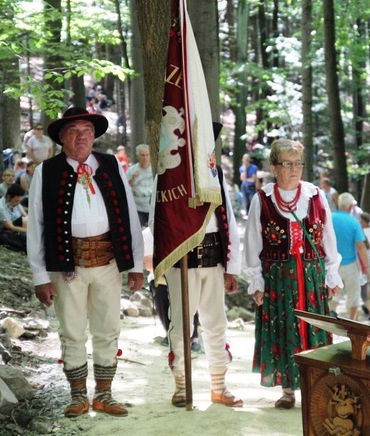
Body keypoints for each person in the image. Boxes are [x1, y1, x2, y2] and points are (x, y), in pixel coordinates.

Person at [27, 107, 144, 418]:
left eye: (87, 131)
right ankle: (77, 395)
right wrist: (39, 274)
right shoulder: (46, 171)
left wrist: (136, 264)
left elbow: (130, 215)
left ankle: (104, 394)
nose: (82, 136)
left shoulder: (110, 165)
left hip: (108, 261)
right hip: (67, 266)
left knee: (108, 328)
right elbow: (36, 225)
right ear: (63, 138)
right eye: (74, 131)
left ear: (94, 136)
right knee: (72, 330)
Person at [243, 138, 342, 409]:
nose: (294, 169)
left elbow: (328, 238)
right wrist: (257, 281)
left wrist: (331, 274)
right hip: (277, 278)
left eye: (298, 163)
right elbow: (253, 243)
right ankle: (288, 389)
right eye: (287, 163)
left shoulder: (316, 196)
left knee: (313, 329)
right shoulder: (262, 199)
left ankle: (316, 387)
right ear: (274, 167)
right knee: (283, 328)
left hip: (311, 276)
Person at [165, 122, 242, 409]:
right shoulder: (169, 177)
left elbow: (228, 220)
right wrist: (157, 263)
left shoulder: (215, 173)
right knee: (181, 326)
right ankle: (182, 386)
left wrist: (232, 266)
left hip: (214, 261)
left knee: (216, 323)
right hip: (181, 262)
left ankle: (219, 386)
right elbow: (158, 222)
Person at [330, 193, 370, 322]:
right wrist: (367, 267)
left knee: (334, 292)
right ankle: (352, 321)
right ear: (350, 207)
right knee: (353, 294)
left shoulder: (329, 218)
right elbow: (360, 246)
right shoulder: (354, 222)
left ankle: (332, 312)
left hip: (332, 264)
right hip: (350, 264)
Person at [0, 183, 28, 252]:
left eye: (19, 201)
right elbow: (11, 227)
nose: (17, 203)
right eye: (16, 201)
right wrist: (28, 231)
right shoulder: (0, 207)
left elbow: (25, 216)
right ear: (9, 197)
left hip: (12, 230)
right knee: (22, 245)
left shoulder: (16, 203)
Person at [127, 144, 153, 227]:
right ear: (138, 156)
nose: (145, 158)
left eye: (147, 155)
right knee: (138, 232)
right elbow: (125, 186)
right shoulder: (132, 170)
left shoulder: (155, 169)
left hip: (152, 208)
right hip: (137, 208)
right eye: (142, 155)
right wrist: (132, 179)